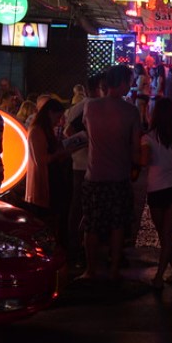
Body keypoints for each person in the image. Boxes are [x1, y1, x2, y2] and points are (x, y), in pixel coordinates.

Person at [81, 64, 142, 282]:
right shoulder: (131, 112)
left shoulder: (90, 108)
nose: (131, 85)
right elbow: (136, 151)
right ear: (123, 83)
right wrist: (136, 165)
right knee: (117, 226)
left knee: (92, 225)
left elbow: (87, 134)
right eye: (130, 81)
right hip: (119, 176)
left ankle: (90, 270)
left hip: (94, 174)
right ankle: (114, 270)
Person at [140, 98, 172, 289]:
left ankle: (160, 276)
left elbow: (144, 162)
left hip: (156, 188)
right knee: (166, 235)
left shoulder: (148, 138)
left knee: (164, 234)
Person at [64, 72, 105, 271]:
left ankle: (77, 245)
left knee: (79, 206)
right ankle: (80, 248)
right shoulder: (89, 107)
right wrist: (91, 140)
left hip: (80, 164)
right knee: (85, 207)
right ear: (98, 88)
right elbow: (69, 133)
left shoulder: (76, 108)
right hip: (87, 164)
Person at [23, 98, 69, 229]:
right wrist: (60, 153)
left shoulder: (44, 129)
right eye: (58, 116)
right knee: (44, 223)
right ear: (49, 113)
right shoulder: (37, 130)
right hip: (43, 183)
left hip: (50, 180)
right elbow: (41, 159)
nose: (59, 121)